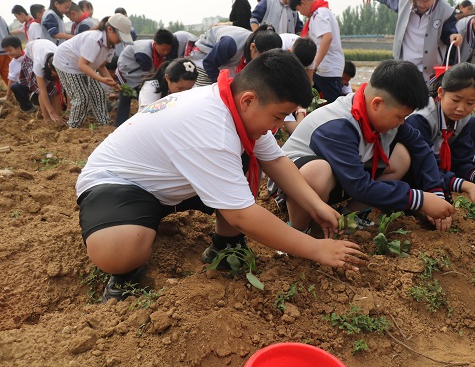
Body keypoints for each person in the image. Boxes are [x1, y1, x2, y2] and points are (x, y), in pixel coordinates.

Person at [75, 49, 367, 303]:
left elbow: (275, 160)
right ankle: (126, 267)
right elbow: (243, 214)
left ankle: (226, 245)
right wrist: (316, 249)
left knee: (246, 159)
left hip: (175, 180)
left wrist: (317, 206)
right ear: (249, 100)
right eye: (278, 117)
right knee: (118, 252)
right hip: (121, 183)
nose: (277, 127)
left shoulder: (234, 105)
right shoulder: (211, 127)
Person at [277, 59, 455, 233]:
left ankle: (350, 216)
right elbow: (359, 186)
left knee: (401, 156)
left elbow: (421, 147)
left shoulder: (377, 113)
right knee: (318, 172)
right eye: (399, 116)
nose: (402, 123)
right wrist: (420, 199)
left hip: (341, 179)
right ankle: (300, 230)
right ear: (377, 103)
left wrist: (435, 191)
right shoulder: (338, 125)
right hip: (295, 188)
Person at [406, 63, 475, 212]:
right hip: (414, 171)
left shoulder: (466, 123)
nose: (461, 108)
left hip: (437, 171)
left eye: (470, 103)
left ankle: (448, 182)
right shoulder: (421, 119)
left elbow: (461, 162)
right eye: (455, 100)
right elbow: (424, 166)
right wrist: (466, 186)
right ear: (440, 93)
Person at [360, 0, 462, 83]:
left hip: (429, 75)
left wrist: (454, 37)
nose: (420, 4)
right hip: (403, 69)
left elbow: (451, 38)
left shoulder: (446, 11)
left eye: (426, 0)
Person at [53, 14, 134, 128]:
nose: (120, 40)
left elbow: (101, 66)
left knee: (98, 93)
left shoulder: (111, 45)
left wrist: (112, 83)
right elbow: (82, 65)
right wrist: (101, 79)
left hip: (86, 65)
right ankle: (73, 128)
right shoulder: (94, 40)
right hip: (67, 63)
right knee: (81, 97)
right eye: (120, 36)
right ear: (110, 29)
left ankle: (104, 124)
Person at [289, 0, 345, 102]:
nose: (302, 14)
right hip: (325, 69)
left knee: (334, 105)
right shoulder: (321, 12)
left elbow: (327, 38)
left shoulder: (319, 14)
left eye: (299, 10)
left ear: (303, 3)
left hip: (328, 69)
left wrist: (315, 64)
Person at [114, 29, 174, 126]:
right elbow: (149, 75)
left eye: (168, 50)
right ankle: (120, 125)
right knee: (126, 98)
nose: (166, 52)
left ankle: (142, 121)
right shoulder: (143, 53)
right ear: (155, 44)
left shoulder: (156, 51)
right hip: (126, 72)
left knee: (143, 96)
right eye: (163, 49)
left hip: (139, 74)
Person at [187, 25, 282, 86]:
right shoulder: (230, 44)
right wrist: (222, 85)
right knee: (210, 92)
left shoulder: (253, 44)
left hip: (224, 59)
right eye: (262, 58)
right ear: (253, 47)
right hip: (204, 57)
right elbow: (209, 63)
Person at [18, 39, 63, 123]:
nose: (57, 75)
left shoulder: (61, 59)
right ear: (49, 66)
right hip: (31, 56)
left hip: (45, 48)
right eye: (55, 73)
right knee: (41, 90)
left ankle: (58, 119)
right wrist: (51, 112)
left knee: (55, 90)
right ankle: (47, 120)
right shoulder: (38, 64)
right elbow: (43, 91)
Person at [1, 36, 35, 113]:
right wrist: (8, 95)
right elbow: (11, 80)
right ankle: (28, 109)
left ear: (18, 48)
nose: (8, 53)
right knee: (15, 86)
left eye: (10, 50)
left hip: (37, 83)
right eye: (6, 51)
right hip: (25, 86)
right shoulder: (12, 64)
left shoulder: (29, 55)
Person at [0, 15, 9, 86]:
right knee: (9, 76)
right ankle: (17, 95)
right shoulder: (2, 19)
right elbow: (8, 33)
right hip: (6, 51)